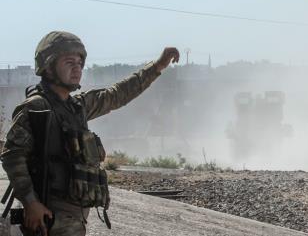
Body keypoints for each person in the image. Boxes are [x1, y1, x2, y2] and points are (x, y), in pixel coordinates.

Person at [1, 31, 179, 236]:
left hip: (73, 218)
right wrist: (31, 203)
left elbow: (117, 95)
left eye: (79, 63)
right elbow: (12, 156)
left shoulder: (77, 106)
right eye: (69, 62)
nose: (77, 68)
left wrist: (158, 66)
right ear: (48, 67)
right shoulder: (37, 108)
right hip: (46, 218)